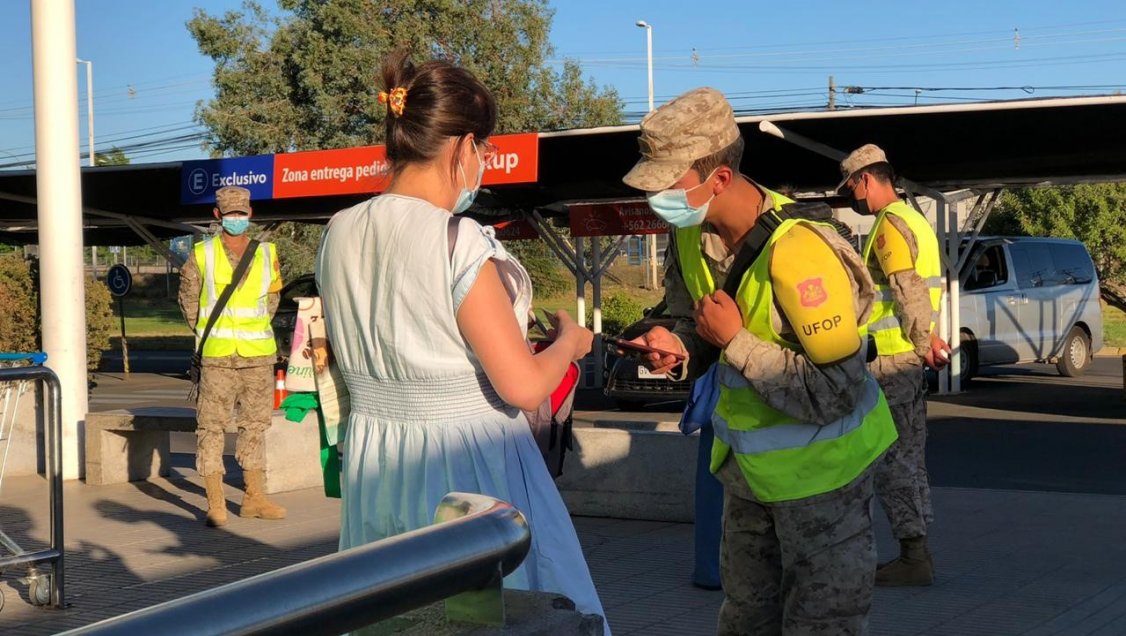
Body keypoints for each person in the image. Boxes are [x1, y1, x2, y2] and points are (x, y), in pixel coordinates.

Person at [314, 51, 608, 628]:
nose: (485, 162)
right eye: (486, 148)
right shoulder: (459, 239)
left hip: (379, 462)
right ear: (462, 147)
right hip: (469, 468)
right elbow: (522, 386)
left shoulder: (338, 232)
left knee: (393, 615)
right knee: (503, 611)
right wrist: (570, 344)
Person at [623, 87, 898, 635]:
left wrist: (735, 343)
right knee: (745, 621)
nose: (657, 196)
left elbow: (838, 390)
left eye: (667, 182)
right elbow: (693, 322)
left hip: (827, 485)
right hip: (749, 483)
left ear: (718, 178)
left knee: (821, 626)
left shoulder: (802, 251)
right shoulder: (688, 235)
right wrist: (678, 345)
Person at [838, 144, 952, 586]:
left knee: (892, 460)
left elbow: (907, 289)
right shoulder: (914, 221)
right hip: (908, 360)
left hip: (891, 364)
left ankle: (913, 556)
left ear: (865, 179)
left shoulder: (888, 227)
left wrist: (922, 341)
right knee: (911, 458)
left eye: (851, 187)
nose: (852, 198)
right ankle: (917, 551)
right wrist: (927, 342)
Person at [178, 185, 287, 528]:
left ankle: (254, 497)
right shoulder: (201, 254)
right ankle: (216, 502)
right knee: (210, 428)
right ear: (217, 216)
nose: (236, 219)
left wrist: (250, 328)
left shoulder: (268, 253)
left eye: (242, 213)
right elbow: (188, 301)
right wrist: (208, 331)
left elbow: (272, 300)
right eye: (230, 214)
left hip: (257, 356)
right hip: (217, 356)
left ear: (250, 214)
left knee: (255, 426)